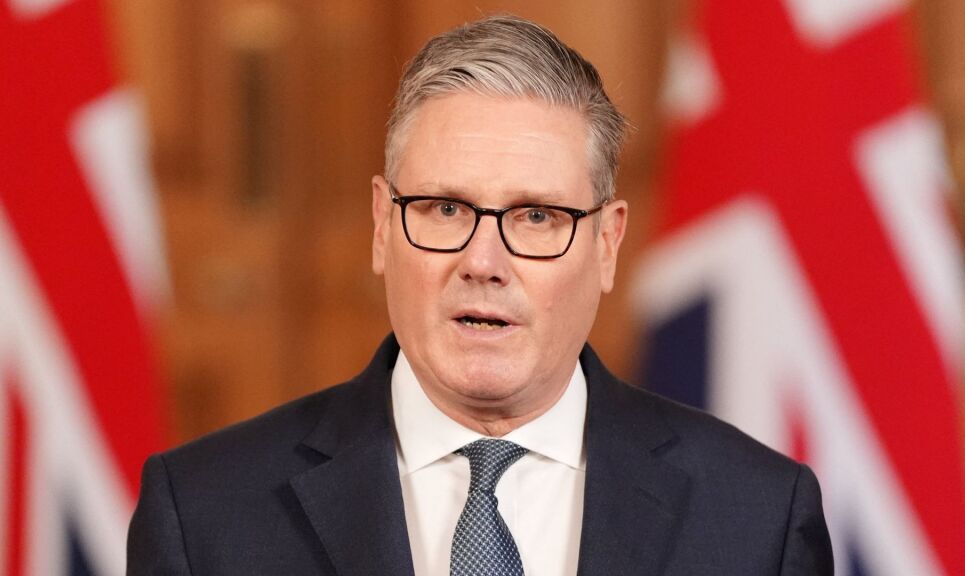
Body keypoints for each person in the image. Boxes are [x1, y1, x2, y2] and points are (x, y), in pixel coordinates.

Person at [127, 14, 833, 575]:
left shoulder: (757, 518)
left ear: (607, 243)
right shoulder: (205, 515)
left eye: (537, 217)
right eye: (445, 209)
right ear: (382, 227)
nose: (483, 262)